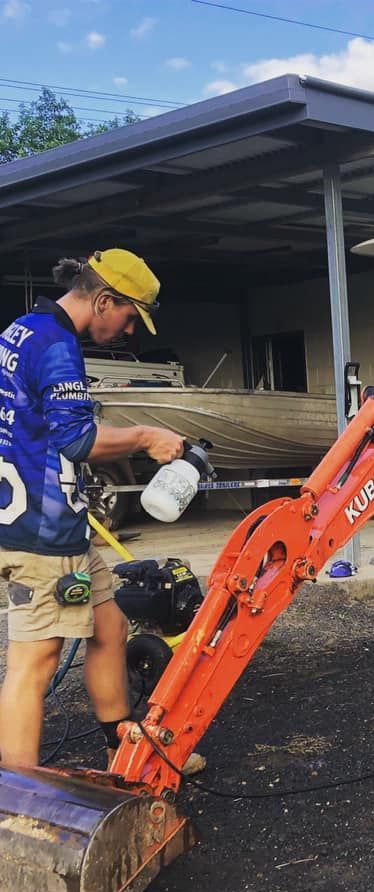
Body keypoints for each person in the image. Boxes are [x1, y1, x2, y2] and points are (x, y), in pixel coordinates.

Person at [0, 249, 185, 767]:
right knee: (35, 662)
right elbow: (78, 439)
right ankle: (21, 802)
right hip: (40, 533)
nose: (130, 330)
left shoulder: (22, 330)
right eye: (130, 316)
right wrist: (147, 436)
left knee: (109, 627)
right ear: (105, 299)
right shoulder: (58, 347)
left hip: (57, 524)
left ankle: (122, 752)